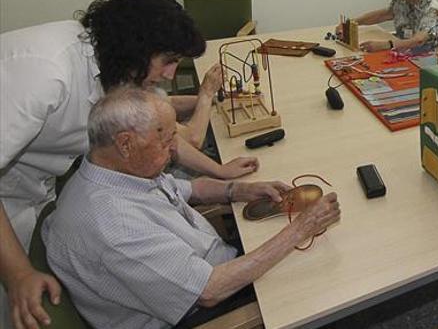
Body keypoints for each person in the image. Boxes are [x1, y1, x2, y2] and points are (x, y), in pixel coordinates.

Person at [0, 0, 257, 329]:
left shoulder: (111, 63)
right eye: (167, 61)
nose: (169, 74)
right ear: (137, 47)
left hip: (35, 184)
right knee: (20, 303)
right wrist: (18, 274)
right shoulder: (47, 73)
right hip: (11, 195)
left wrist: (208, 115)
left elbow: (156, 121)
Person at [42, 87, 341, 328]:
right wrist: (300, 229)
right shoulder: (114, 226)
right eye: (166, 138)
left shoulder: (118, 171)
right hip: (200, 307)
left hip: (207, 266)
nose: (175, 147)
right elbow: (209, 291)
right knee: (325, 280)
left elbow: (191, 189)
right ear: (125, 144)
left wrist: (238, 189)